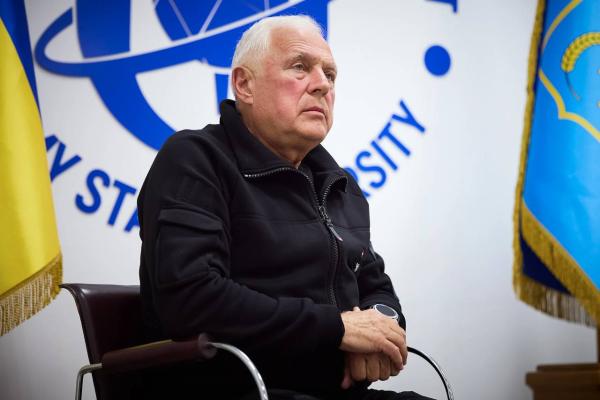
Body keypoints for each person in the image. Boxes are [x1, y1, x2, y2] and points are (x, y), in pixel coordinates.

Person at [138, 15, 434, 400]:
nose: (322, 84)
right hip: (242, 389)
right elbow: (191, 298)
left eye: (330, 74)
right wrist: (337, 329)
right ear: (244, 84)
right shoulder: (195, 160)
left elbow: (374, 284)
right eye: (299, 66)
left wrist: (380, 329)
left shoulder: (339, 184)